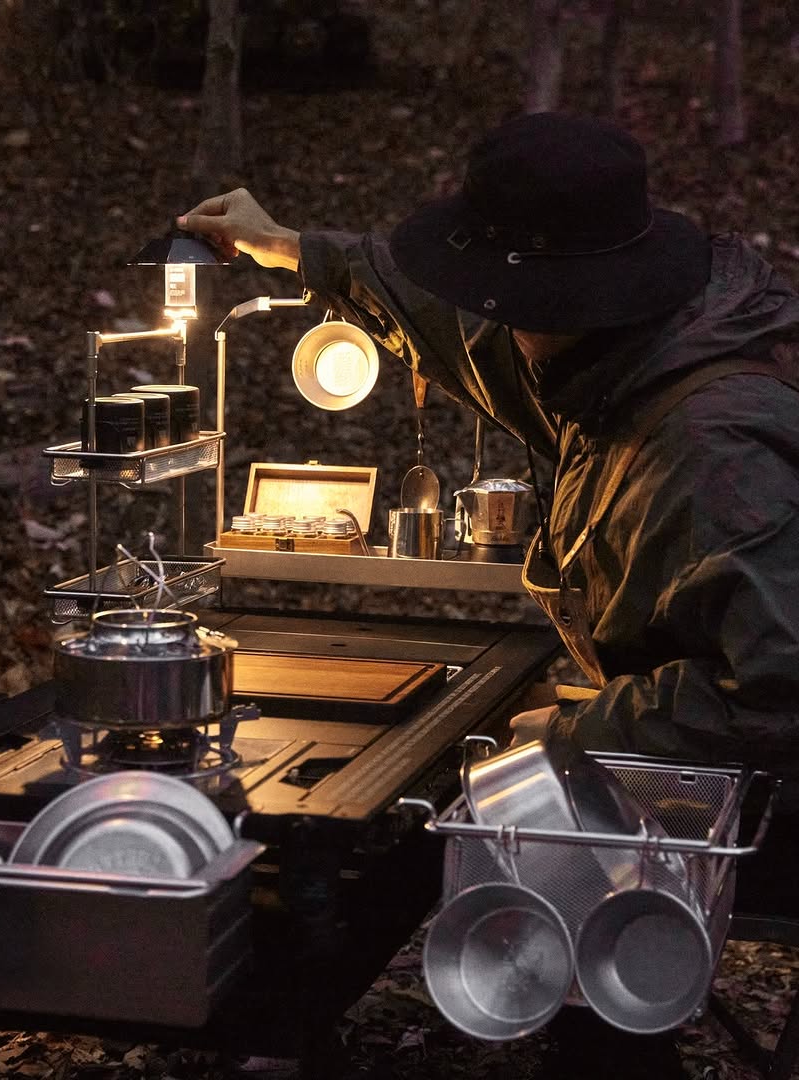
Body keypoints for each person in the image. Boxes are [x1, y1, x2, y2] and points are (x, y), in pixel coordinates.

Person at [178, 111, 799, 781]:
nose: (489, 311)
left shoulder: (714, 452)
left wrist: (575, 734)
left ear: (557, 300)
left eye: (502, 299)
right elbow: (452, 326)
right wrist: (295, 249)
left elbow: (777, 699)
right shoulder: (618, 358)